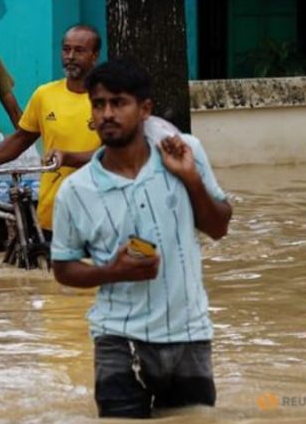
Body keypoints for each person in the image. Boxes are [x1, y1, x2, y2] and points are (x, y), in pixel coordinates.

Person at [51, 59, 233, 418]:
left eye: (118, 103)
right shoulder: (75, 190)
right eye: (99, 104)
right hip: (117, 337)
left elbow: (218, 227)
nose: (107, 114)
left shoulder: (186, 152)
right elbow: (63, 268)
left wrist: (190, 179)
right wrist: (112, 271)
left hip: (189, 334)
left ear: (144, 109)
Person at [0, 24, 103, 236]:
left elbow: (115, 155)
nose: (70, 56)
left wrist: (67, 157)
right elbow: (21, 138)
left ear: (95, 55)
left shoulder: (108, 99)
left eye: (79, 50)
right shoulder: (44, 95)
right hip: (52, 211)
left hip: (99, 213)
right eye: (66, 49)